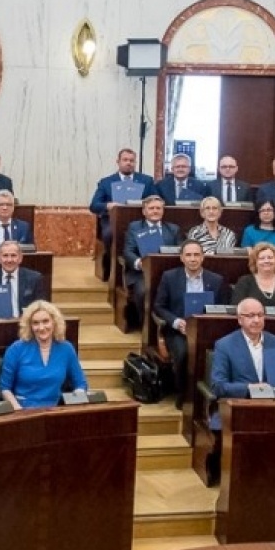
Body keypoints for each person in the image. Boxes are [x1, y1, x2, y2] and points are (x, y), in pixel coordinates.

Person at [153, 241, 228, 390]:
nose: (193, 259)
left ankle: (209, 392)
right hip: (179, 332)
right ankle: (183, 393)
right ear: (182, 258)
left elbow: (223, 307)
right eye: (188, 255)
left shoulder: (216, 280)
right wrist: (176, 322)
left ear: (202, 257)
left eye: (196, 255)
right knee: (183, 353)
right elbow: (159, 306)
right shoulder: (169, 277)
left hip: (208, 331)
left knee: (217, 353)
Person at [209, 299, 275, 425]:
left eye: (260, 315)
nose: (256, 320)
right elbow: (218, 387)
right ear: (240, 319)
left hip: (271, 410)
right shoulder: (224, 345)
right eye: (251, 316)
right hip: (237, 410)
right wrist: (250, 388)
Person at [0, 301, 85, 409]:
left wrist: (74, 402)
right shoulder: (16, 349)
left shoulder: (66, 348)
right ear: (30, 326)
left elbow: (81, 384)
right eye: (35, 323)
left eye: (45, 321)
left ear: (54, 322)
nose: (41, 327)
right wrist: (18, 410)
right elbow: (4, 388)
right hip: (23, 410)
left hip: (56, 410)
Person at [88, 149, 151, 277]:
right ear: (118, 162)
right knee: (109, 234)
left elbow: (157, 199)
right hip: (112, 221)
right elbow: (94, 205)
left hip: (140, 220)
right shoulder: (106, 182)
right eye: (125, 160)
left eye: (132, 160)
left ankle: (141, 267)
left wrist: (146, 204)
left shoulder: (146, 181)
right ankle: (109, 261)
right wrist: (108, 205)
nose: (129, 163)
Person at [123, 195, 180, 326]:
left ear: (163, 211)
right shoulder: (135, 227)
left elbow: (181, 250)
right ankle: (146, 326)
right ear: (144, 211)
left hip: (168, 273)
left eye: (158, 208)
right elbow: (128, 251)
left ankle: (168, 326)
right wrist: (139, 263)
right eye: (151, 208)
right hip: (142, 274)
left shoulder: (173, 229)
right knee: (143, 292)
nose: (155, 211)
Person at [0, 240, 46, 318]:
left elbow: (41, 307)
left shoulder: (35, 278)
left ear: (20, 258)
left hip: (24, 322)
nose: (9, 260)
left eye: (13, 255)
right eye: (5, 256)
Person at [230, 242, 275, 309]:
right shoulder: (244, 281)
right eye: (262, 258)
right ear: (255, 262)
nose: (266, 261)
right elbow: (237, 307)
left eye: (270, 258)